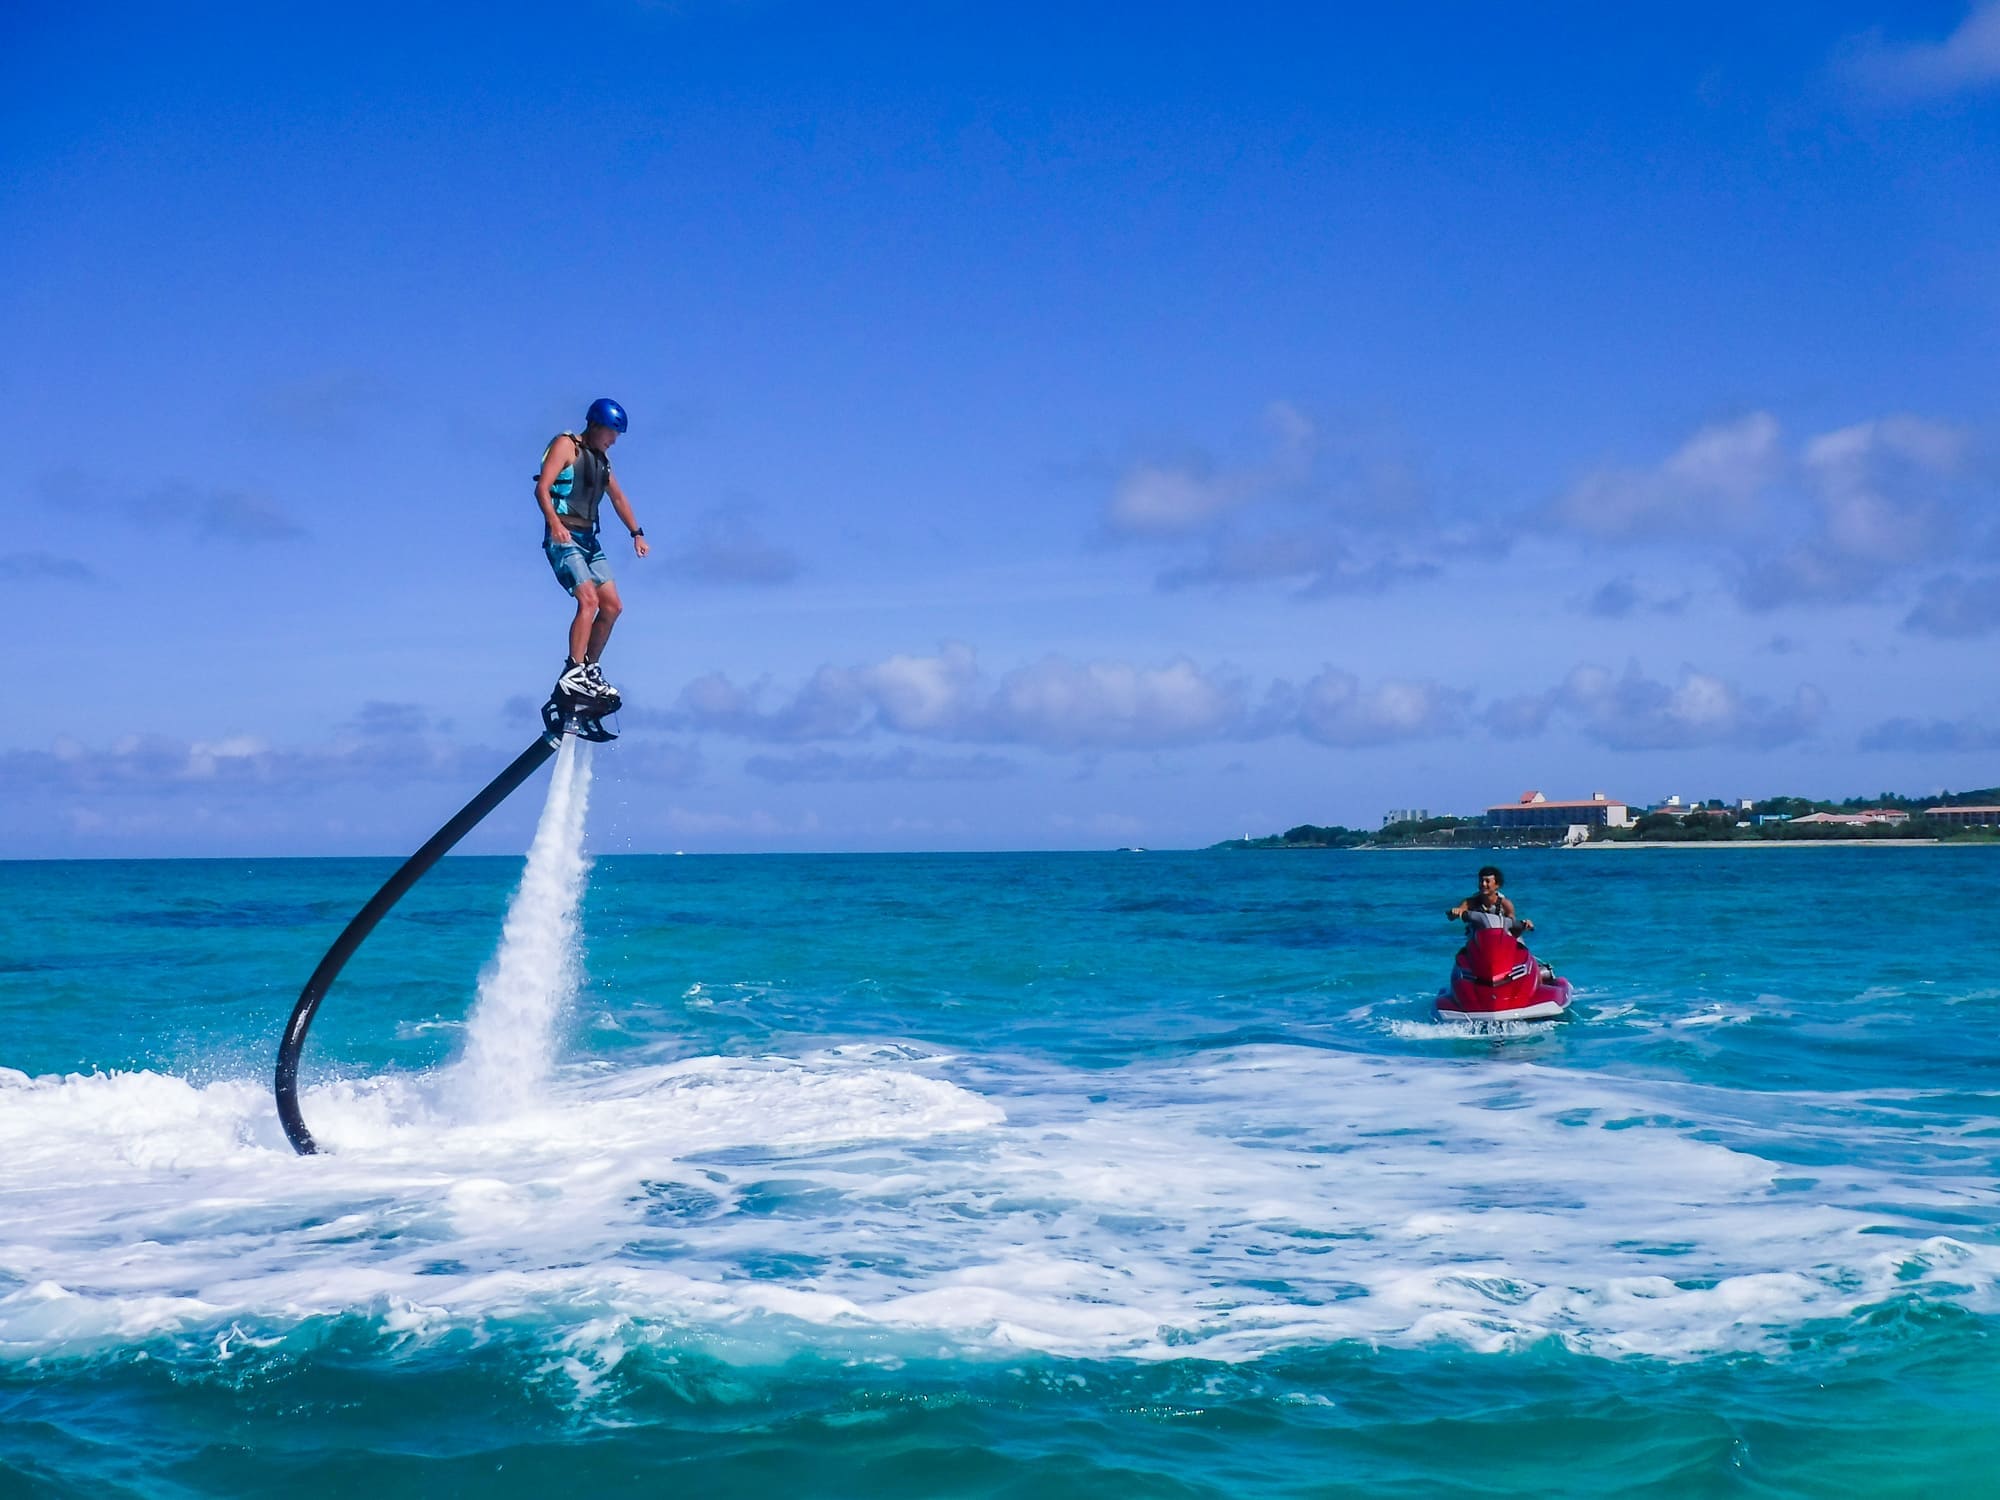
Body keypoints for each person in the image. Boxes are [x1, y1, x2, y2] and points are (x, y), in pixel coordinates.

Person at [536, 397, 649, 705]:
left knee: (612, 606)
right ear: (596, 426)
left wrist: (636, 533)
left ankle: (589, 669)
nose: (614, 440)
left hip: (589, 541)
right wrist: (554, 524)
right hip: (564, 536)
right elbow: (542, 488)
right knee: (588, 600)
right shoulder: (566, 446)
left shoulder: (601, 461)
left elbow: (618, 498)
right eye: (611, 433)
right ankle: (573, 671)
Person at [1447, 865, 1533, 937]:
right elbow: (1453, 916)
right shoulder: (1470, 902)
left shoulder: (1505, 904)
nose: (1483, 884)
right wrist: (1455, 912)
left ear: (1497, 885)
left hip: (1499, 940)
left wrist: (1524, 924)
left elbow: (1512, 925)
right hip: (1477, 942)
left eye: (1487, 881)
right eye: (1481, 881)